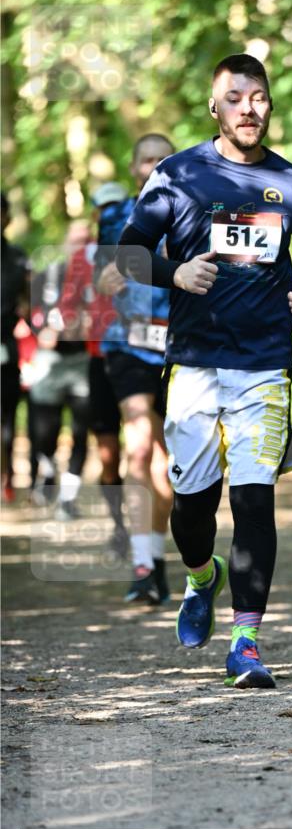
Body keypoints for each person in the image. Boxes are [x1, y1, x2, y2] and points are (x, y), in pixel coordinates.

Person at [116, 54, 292, 688]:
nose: (249, 107)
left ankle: (246, 640)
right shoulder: (177, 173)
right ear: (214, 107)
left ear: (270, 106)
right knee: (192, 507)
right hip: (193, 364)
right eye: (235, 97)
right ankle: (200, 576)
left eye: (259, 97)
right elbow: (128, 253)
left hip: (266, 363)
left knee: (253, 500)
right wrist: (174, 273)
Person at [96, 136, 175, 604]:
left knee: (170, 467)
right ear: (134, 167)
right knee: (140, 446)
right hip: (127, 344)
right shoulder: (114, 216)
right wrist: (108, 277)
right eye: (147, 158)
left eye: (164, 158)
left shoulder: (195, 212)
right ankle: (143, 565)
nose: (155, 166)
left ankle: (156, 558)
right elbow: (103, 275)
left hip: (180, 347)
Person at [59, 184, 129, 553]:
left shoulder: (144, 248)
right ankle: (119, 525)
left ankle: (153, 527)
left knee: (147, 450)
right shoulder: (83, 258)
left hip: (143, 359)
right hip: (101, 360)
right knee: (108, 453)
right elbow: (67, 305)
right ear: (96, 215)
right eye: (106, 209)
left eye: (119, 207)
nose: (111, 214)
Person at [29, 220, 91, 518]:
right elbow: (30, 310)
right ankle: (48, 472)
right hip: (50, 361)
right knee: (44, 431)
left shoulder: (99, 277)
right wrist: (41, 329)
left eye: (86, 240)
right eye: (75, 239)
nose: (80, 245)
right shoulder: (50, 274)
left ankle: (68, 499)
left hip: (83, 363)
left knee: (81, 431)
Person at [1, 192, 30, 503]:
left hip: (6, 348)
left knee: (5, 419)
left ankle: (6, 477)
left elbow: (29, 304)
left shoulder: (18, 258)